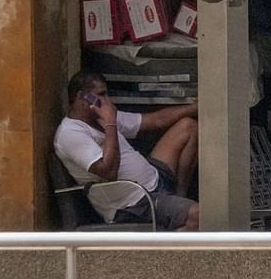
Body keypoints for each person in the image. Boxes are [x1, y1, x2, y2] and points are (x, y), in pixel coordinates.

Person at [54, 71, 200, 231]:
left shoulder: (99, 117)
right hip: (136, 202)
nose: (108, 102)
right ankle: (162, 249)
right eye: (101, 95)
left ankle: (178, 197)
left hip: (155, 177)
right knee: (199, 216)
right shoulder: (71, 133)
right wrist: (110, 122)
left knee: (188, 127)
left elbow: (155, 120)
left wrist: (196, 107)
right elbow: (108, 172)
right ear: (82, 97)